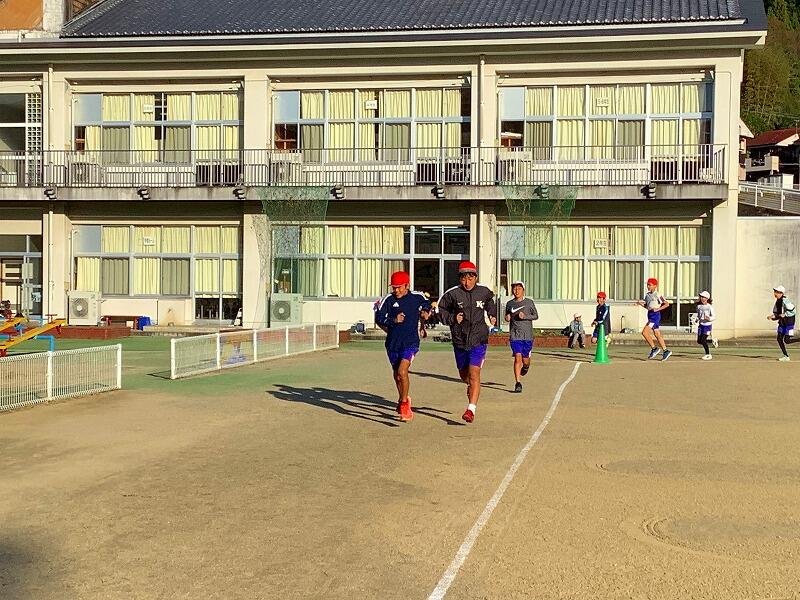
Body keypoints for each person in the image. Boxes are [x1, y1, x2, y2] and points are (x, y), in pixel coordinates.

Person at [437, 261, 497, 423]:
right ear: (460, 279)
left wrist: (492, 315)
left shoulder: (484, 292)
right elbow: (440, 310)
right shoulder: (452, 294)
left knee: (474, 374)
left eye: (470, 279)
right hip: (460, 340)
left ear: (476, 278)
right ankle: (470, 387)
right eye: (464, 279)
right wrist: (452, 318)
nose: (467, 282)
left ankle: (471, 409)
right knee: (465, 376)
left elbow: (490, 304)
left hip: (479, 339)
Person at [374, 271, 431, 421]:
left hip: (410, 343)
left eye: (399, 287)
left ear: (407, 285)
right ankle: (402, 398)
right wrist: (394, 320)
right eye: (394, 287)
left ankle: (405, 404)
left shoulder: (417, 297)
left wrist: (425, 313)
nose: (396, 290)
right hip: (393, 344)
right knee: (397, 375)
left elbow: (427, 304)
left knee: (402, 371)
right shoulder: (388, 299)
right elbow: (379, 318)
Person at [504, 280, 539, 393]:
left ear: (523, 290)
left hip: (527, 335)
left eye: (519, 288)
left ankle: (526, 367)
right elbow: (507, 316)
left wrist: (525, 316)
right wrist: (507, 318)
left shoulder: (529, 302)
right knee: (517, 357)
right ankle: (518, 383)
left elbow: (536, 316)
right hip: (515, 335)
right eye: (514, 288)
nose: (516, 291)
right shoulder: (510, 304)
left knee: (525, 360)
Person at [635, 277, 672, 361]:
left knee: (644, 332)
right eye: (647, 285)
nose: (648, 286)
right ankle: (666, 351)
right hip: (650, 314)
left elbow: (666, 304)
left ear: (655, 286)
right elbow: (647, 306)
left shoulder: (658, 295)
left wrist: (658, 309)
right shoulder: (647, 295)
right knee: (657, 334)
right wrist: (640, 304)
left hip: (655, 316)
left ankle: (654, 348)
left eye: (650, 285)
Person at [768, 285, 798, 362]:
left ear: (781, 293)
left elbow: (793, 311)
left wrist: (785, 314)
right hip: (782, 323)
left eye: (777, 292)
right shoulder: (777, 302)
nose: (775, 293)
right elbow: (777, 314)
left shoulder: (785, 301)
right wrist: (772, 317)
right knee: (779, 339)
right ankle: (786, 356)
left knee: (787, 340)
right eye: (775, 291)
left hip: (789, 323)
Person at [696, 291, 717, 360]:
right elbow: (698, 315)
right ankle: (712, 341)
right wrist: (697, 319)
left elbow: (714, 317)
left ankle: (708, 354)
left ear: (707, 298)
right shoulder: (698, 306)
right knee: (699, 341)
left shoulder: (709, 307)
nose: (702, 298)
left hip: (707, 326)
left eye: (703, 297)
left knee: (703, 340)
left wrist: (709, 318)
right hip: (701, 325)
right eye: (701, 297)